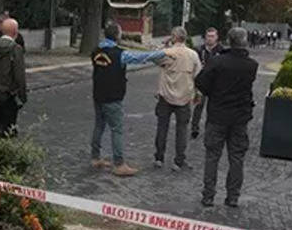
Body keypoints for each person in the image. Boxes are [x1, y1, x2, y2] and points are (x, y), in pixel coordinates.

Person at [90, 22, 168, 176]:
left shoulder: (96, 51)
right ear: (118, 35)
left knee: (99, 126)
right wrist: (163, 53)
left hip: (98, 95)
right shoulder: (120, 54)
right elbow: (141, 57)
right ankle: (119, 164)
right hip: (113, 98)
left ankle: (95, 157)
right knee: (116, 130)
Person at [193, 27, 258, 207]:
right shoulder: (251, 65)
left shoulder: (217, 62)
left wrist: (214, 92)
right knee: (237, 158)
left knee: (212, 156)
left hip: (218, 115)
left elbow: (200, 81)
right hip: (239, 117)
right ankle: (233, 196)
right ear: (244, 42)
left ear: (228, 40)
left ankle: (208, 195)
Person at [154, 26, 201, 171]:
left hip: (165, 96)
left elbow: (153, 57)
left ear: (173, 37)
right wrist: (197, 93)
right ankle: (179, 161)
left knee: (162, 128)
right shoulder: (193, 55)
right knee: (182, 130)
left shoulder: (166, 53)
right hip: (184, 98)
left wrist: (164, 44)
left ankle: (159, 158)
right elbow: (198, 76)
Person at [191, 27, 221, 139]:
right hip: (202, 83)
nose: (210, 39)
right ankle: (194, 128)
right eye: (208, 36)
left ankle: (210, 129)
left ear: (217, 37)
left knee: (212, 108)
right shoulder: (199, 50)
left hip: (215, 84)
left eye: (213, 36)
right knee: (198, 106)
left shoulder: (221, 51)